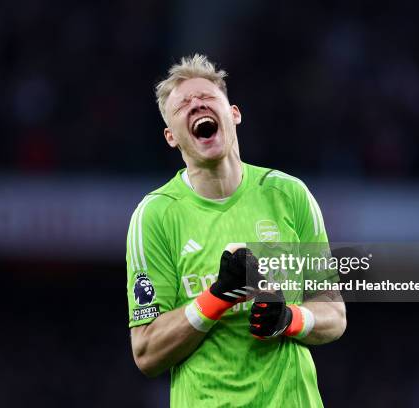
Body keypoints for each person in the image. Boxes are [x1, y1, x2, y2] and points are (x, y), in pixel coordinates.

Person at [126, 54, 346, 407]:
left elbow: (333, 315)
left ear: (234, 114)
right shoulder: (155, 216)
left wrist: (288, 318)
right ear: (171, 137)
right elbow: (147, 351)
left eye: (208, 98)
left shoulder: (289, 195)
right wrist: (217, 298)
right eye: (183, 104)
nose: (197, 105)